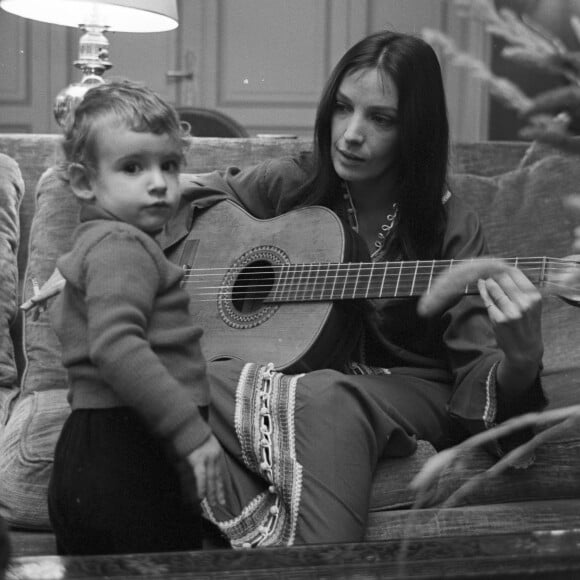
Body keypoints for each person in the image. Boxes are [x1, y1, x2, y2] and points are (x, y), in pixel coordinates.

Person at [157, 30, 547, 547]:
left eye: (380, 119)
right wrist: (116, 239)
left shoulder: (451, 224)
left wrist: (520, 361)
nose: (350, 134)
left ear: (416, 132)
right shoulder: (294, 180)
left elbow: (477, 365)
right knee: (168, 366)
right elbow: (195, 191)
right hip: (292, 381)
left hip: (404, 385)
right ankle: (263, 529)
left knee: (322, 393)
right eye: (343, 108)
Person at [47, 80, 225, 556]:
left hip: (103, 449)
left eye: (169, 165)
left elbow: (73, 328)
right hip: (129, 452)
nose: (158, 183)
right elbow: (116, 347)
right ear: (85, 182)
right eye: (133, 167)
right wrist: (193, 433)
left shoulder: (97, 243)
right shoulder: (123, 247)